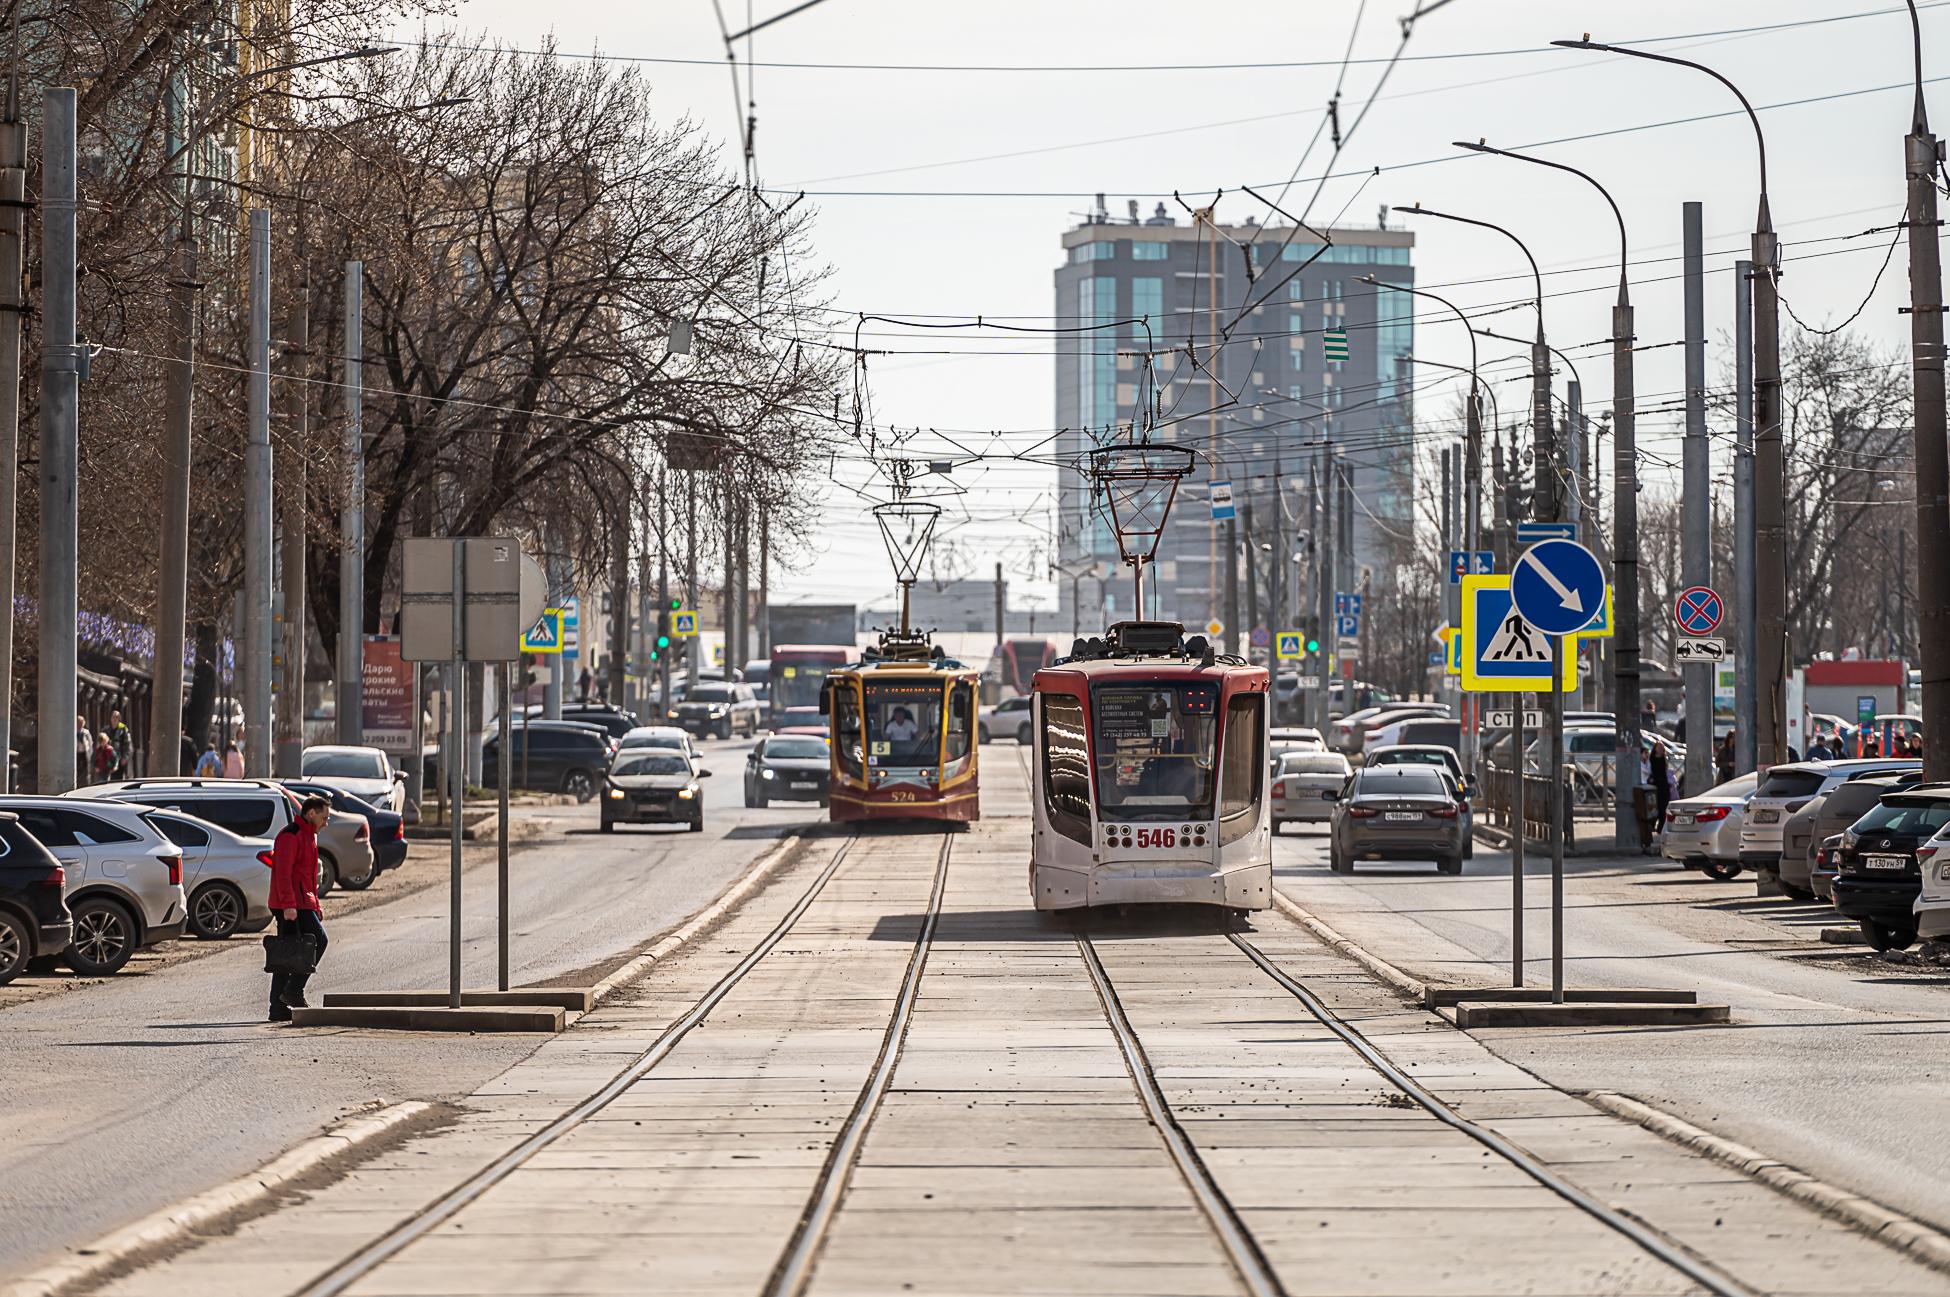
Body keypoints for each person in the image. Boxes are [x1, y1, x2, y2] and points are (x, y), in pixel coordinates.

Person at [267, 795, 331, 1022]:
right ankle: (293, 991)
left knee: (288, 954)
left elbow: (309, 877)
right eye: (324, 817)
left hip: (303, 902)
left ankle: (278, 1008)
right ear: (311, 813)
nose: (326, 822)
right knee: (318, 942)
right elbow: (283, 874)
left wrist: (316, 906)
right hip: (291, 904)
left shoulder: (308, 835)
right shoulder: (290, 835)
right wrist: (288, 906)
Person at [1648, 740, 1672, 829]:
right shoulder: (1651, 758)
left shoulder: (1664, 758)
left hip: (1663, 785)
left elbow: (1665, 770)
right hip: (1654, 784)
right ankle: (1652, 825)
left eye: (1661, 747)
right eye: (1658, 747)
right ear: (1655, 748)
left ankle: (1661, 826)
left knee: (1663, 806)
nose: (1660, 749)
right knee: (1654, 806)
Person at [108, 710, 133, 779]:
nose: (114, 719)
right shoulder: (107, 729)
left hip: (120, 758)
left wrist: (125, 757)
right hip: (110, 758)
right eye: (113, 717)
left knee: (119, 778)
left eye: (117, 717)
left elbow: (128, 744)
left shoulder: (123, 728)